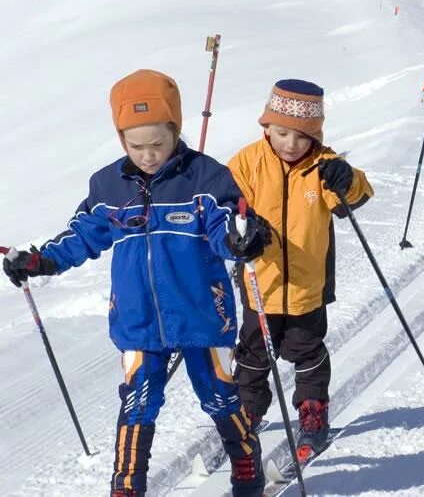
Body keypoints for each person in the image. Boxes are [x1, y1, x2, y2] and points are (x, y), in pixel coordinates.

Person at [2, 69, 271, 497]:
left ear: (176, 131)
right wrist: (41, 261)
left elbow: (227, 226)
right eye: (136, 145)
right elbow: (83, 235)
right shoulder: (108, 185)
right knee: (137, 403)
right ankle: (126, 487)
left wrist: (243, 237)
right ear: (121, 139)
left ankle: (245, 462)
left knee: (219, 395)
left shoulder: (205, 177)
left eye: (158, 144)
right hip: (139, 319)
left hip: (201, 311)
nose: (148, 155)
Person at [227, 79, 373, 463]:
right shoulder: (247, 162)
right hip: (261, 284)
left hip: (308, 286)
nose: (291, 144)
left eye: (301, 137)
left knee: (306, 351)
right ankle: (250, 410)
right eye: (281, 133)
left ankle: (313, 414)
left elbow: (354, 198)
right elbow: (224, 208)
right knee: (253, 353)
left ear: (316, 135)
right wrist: (236, 234)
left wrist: (348, 180)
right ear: (267, 128)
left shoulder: (323, 166)